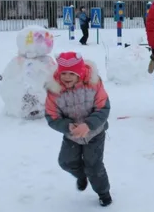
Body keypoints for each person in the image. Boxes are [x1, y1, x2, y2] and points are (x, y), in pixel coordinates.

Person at [45, 52, 112, 207]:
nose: (66, 77)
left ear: (80, 73)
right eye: (64, 73)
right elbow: (51, 116)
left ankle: (103, 192)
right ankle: (82, 175)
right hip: (72, 134)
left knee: (94, 166)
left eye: (71, 73)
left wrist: (88, 125)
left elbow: (103, 108)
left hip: (94, 133)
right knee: (66, 162)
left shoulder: (94, 84)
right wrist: (67, 126)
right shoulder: (54, 90)